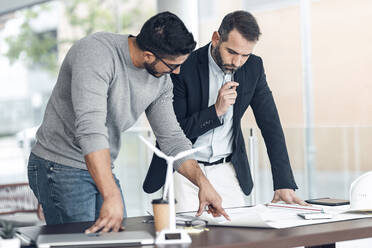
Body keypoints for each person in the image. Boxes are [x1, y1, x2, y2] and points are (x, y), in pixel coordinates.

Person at [27, 11, 229, 234]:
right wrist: (111, 195)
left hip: (99, 164)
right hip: (59, 165)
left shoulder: (161, 80)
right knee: (80, 242)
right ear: (149, 56)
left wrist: (202, 182)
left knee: (118, 238)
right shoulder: (96, 54)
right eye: (173, 66)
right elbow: (91, 129)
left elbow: (172, 137)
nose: (177, 71)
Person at [143, 10, 307, 212]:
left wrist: (283, 181)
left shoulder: (254, 67)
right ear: (216, 38)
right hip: (185, 172)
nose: (237, 62)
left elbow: (270, 124)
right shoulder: (183, 67)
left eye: (244, 55)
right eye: (232, 52)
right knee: (191, 240)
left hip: (228, 171)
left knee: (237, 237)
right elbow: (174, 132)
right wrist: (216, 111)